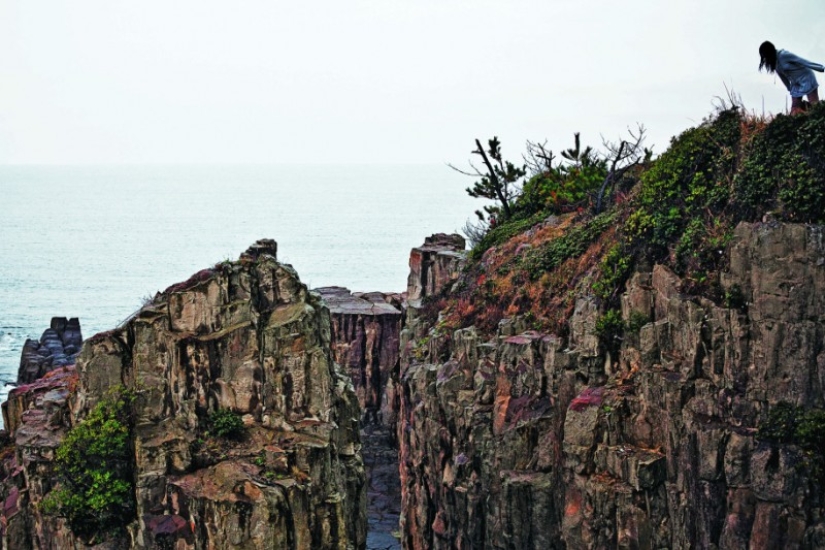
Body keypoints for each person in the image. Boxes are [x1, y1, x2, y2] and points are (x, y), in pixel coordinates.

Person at [759, 41, 824, 114]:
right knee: (795, 107)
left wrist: (820, 68)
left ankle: (818, 116)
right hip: (796, 83)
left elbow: (802, 61)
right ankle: (795, 121)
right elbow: (782, 76)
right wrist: (789, 88)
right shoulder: (774, 62)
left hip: (806, 78)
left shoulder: (784, 55)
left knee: (815, 105)